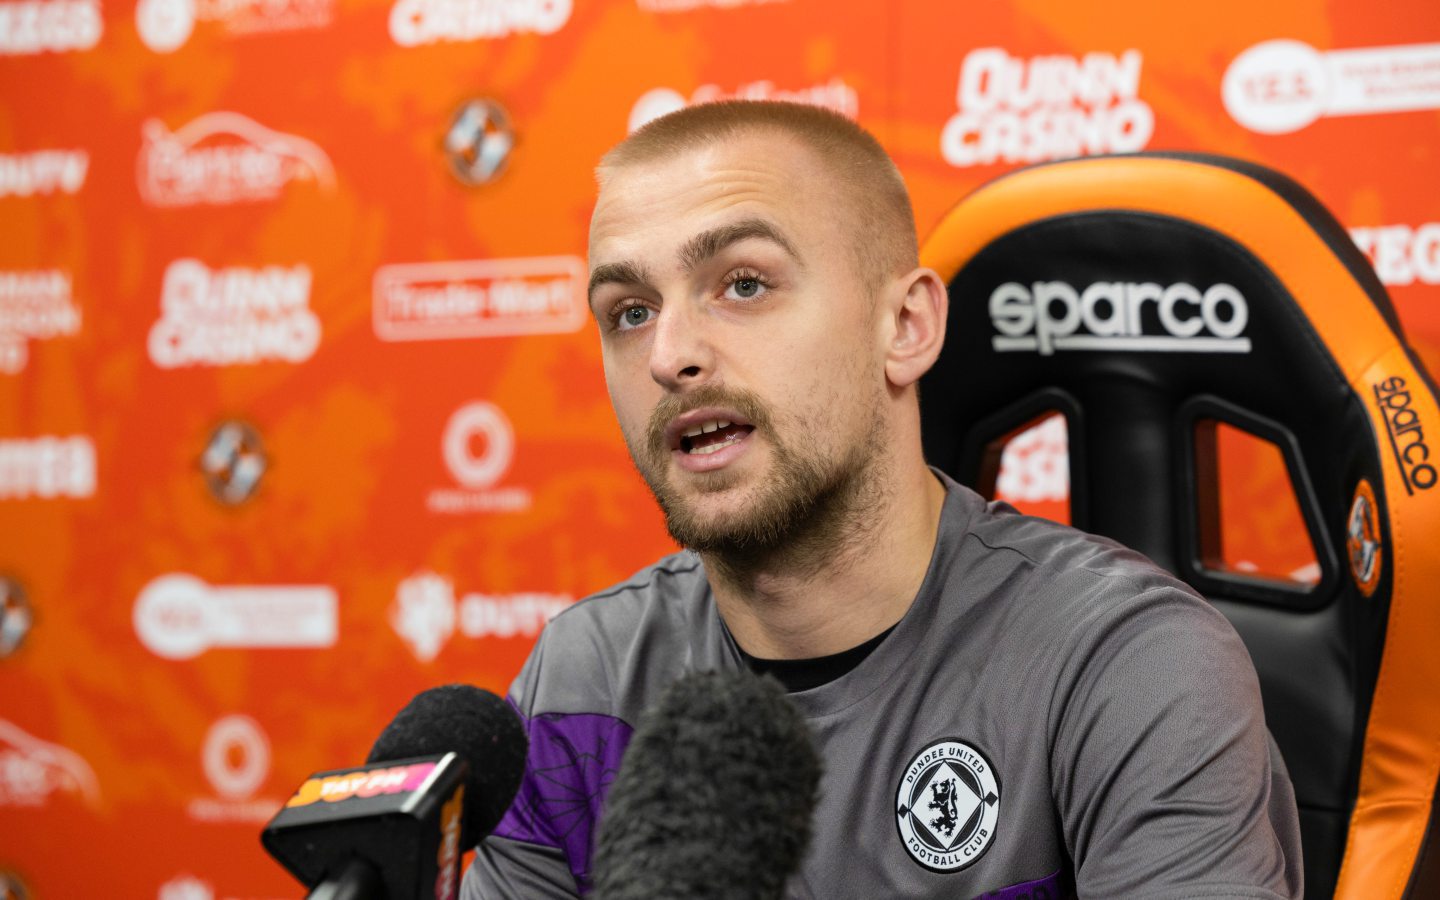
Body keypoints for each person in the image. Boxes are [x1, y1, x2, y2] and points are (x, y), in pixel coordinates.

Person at [462, 100, 1303, 898]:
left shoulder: (1131, 667)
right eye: (630, 312)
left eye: (744, 284)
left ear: (904, 328)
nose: (669, 355)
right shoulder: (581, 683)